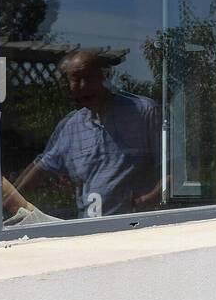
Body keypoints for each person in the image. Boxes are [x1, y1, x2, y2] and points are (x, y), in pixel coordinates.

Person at [11, 48, 162, 218]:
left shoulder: (143, 112)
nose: (83, 86)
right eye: (76, 79)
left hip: (135, 229)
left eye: (89, 78)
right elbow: (41, 168)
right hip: (88, 231)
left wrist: (148, 200)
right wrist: (8, 202)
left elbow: (177, 168)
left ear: (104, 77)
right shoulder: (71, 126)